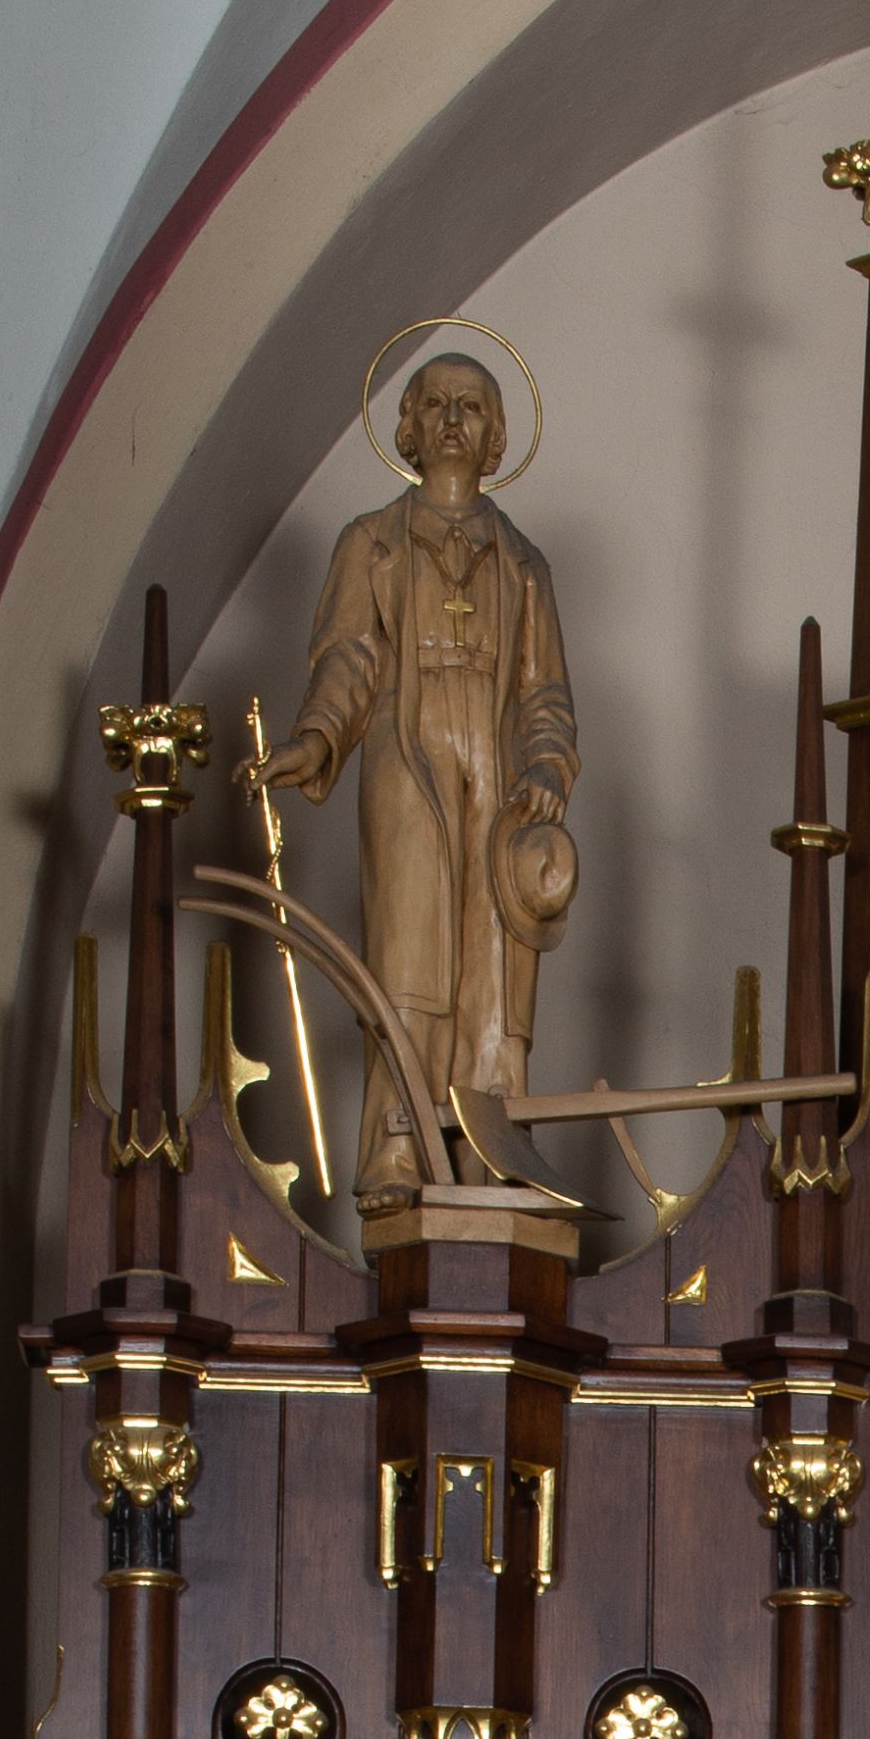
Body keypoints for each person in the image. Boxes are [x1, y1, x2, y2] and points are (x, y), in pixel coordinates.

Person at [256, 348, 577, 1214]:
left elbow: (544, 693)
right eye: (435, 404)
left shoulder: (524, 563)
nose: (452, 420)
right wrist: (317, 738)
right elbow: (349, 659)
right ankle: (399, 1143)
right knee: (409, 955)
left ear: (496, 434)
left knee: (493, 971)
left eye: (471, 407)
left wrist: (546, 766)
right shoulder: (370, 544)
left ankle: (491, 1149)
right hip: (410, 756)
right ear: (408, 427)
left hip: (497, 772)